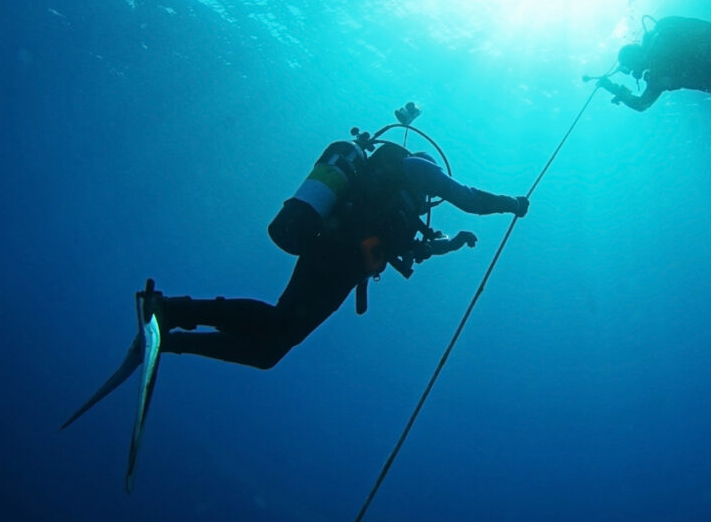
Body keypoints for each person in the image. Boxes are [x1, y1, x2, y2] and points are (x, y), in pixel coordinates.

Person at [147, 137, 530, 370]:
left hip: (344, 264)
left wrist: (455, 242)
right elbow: (467, 197)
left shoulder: (404, 208)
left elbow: (418, 249)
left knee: (270, 352)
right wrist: (511, 203)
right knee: (281, 326)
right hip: (338, 249)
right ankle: (172, 312)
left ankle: (170, 337)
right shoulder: (412, 168)